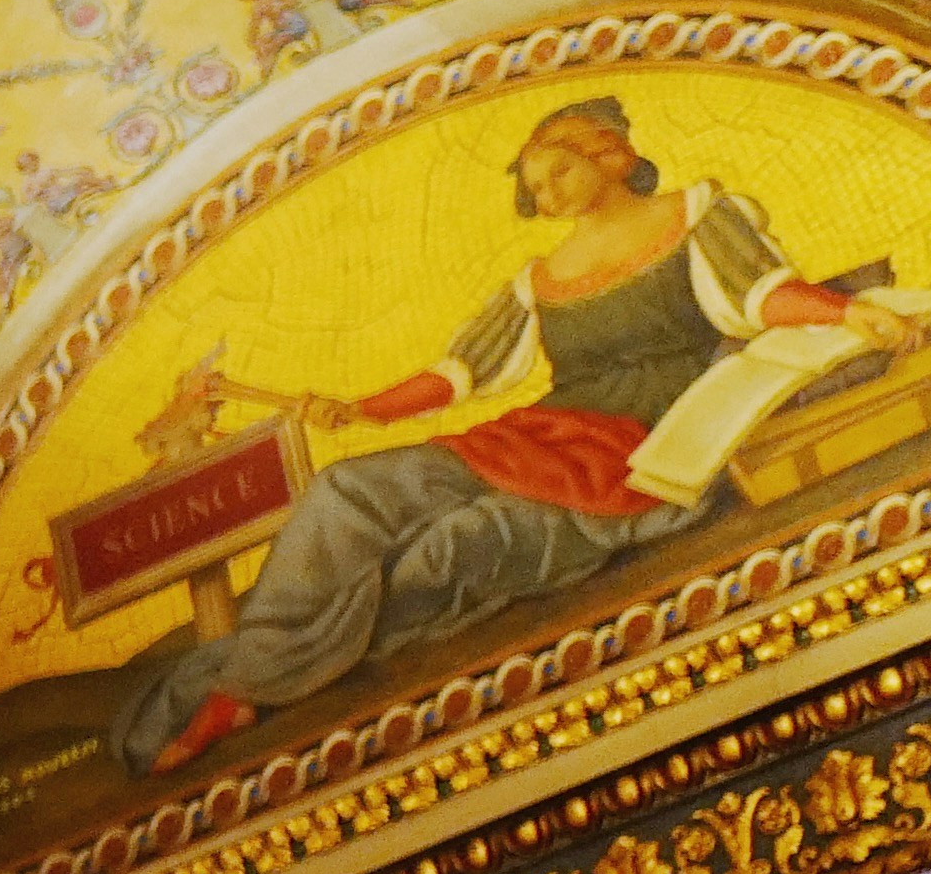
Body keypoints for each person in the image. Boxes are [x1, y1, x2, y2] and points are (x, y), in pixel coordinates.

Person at [108, 101, 873, 773]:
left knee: (452, 546)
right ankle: (248, 678)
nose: (546, 195)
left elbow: (765, 296)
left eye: (558, 172)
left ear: (609, 155)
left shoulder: (695, 216)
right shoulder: (540, 277)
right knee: (345, 489)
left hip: (644, 448)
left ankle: (242, 685)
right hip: (543, 435)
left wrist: (848, 313)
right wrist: (363, 409)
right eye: (534, 187)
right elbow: (460, 373)